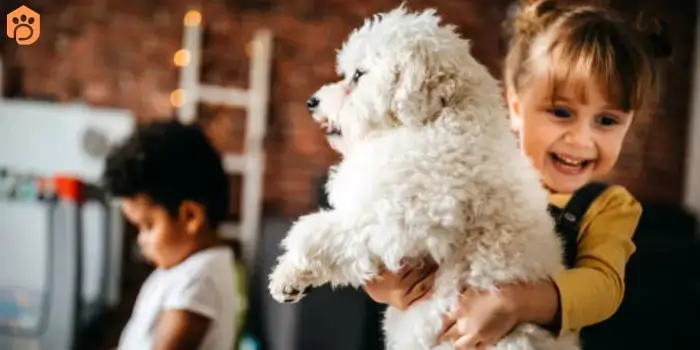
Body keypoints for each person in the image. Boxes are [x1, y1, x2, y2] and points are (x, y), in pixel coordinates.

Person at [363, 0, 671, 348]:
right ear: (516, 108)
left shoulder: (606, 207)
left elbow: (602, 288)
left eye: (607, 121)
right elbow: (402, 235)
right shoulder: (472, 170)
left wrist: (512, 303)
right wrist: (383, 285)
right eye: (561, 112)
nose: (582, 139)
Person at [103, 120, 238, 350]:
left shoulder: (198, 281)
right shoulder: (181, 270)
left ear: (190, 217)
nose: (141, 240)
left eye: (148, 226)